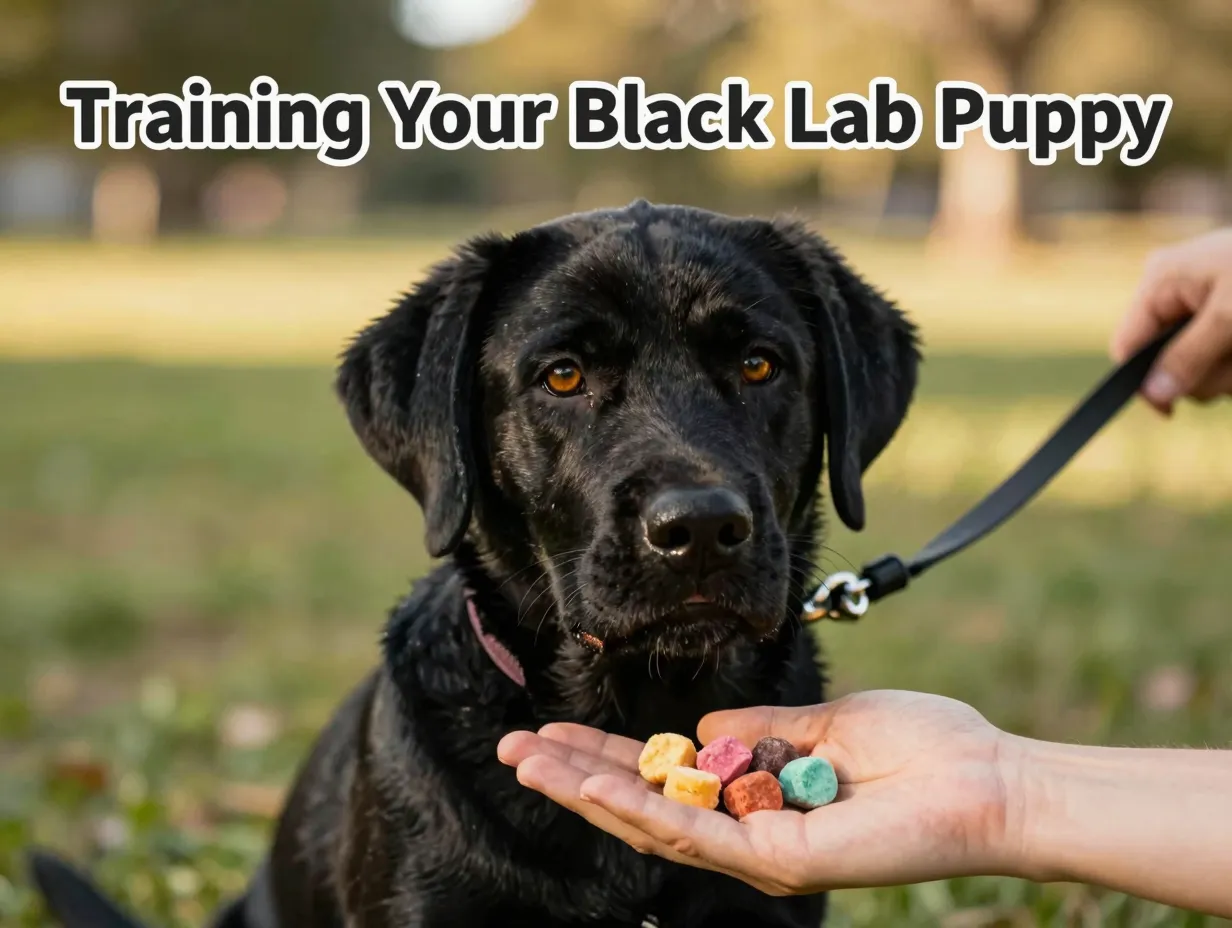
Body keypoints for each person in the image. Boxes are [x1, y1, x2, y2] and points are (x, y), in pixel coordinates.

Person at [496, 228, 1232, 917]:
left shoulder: (797, 777)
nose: (695, 499)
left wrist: (1006, 794)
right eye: (564, 376)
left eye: (757, 366)